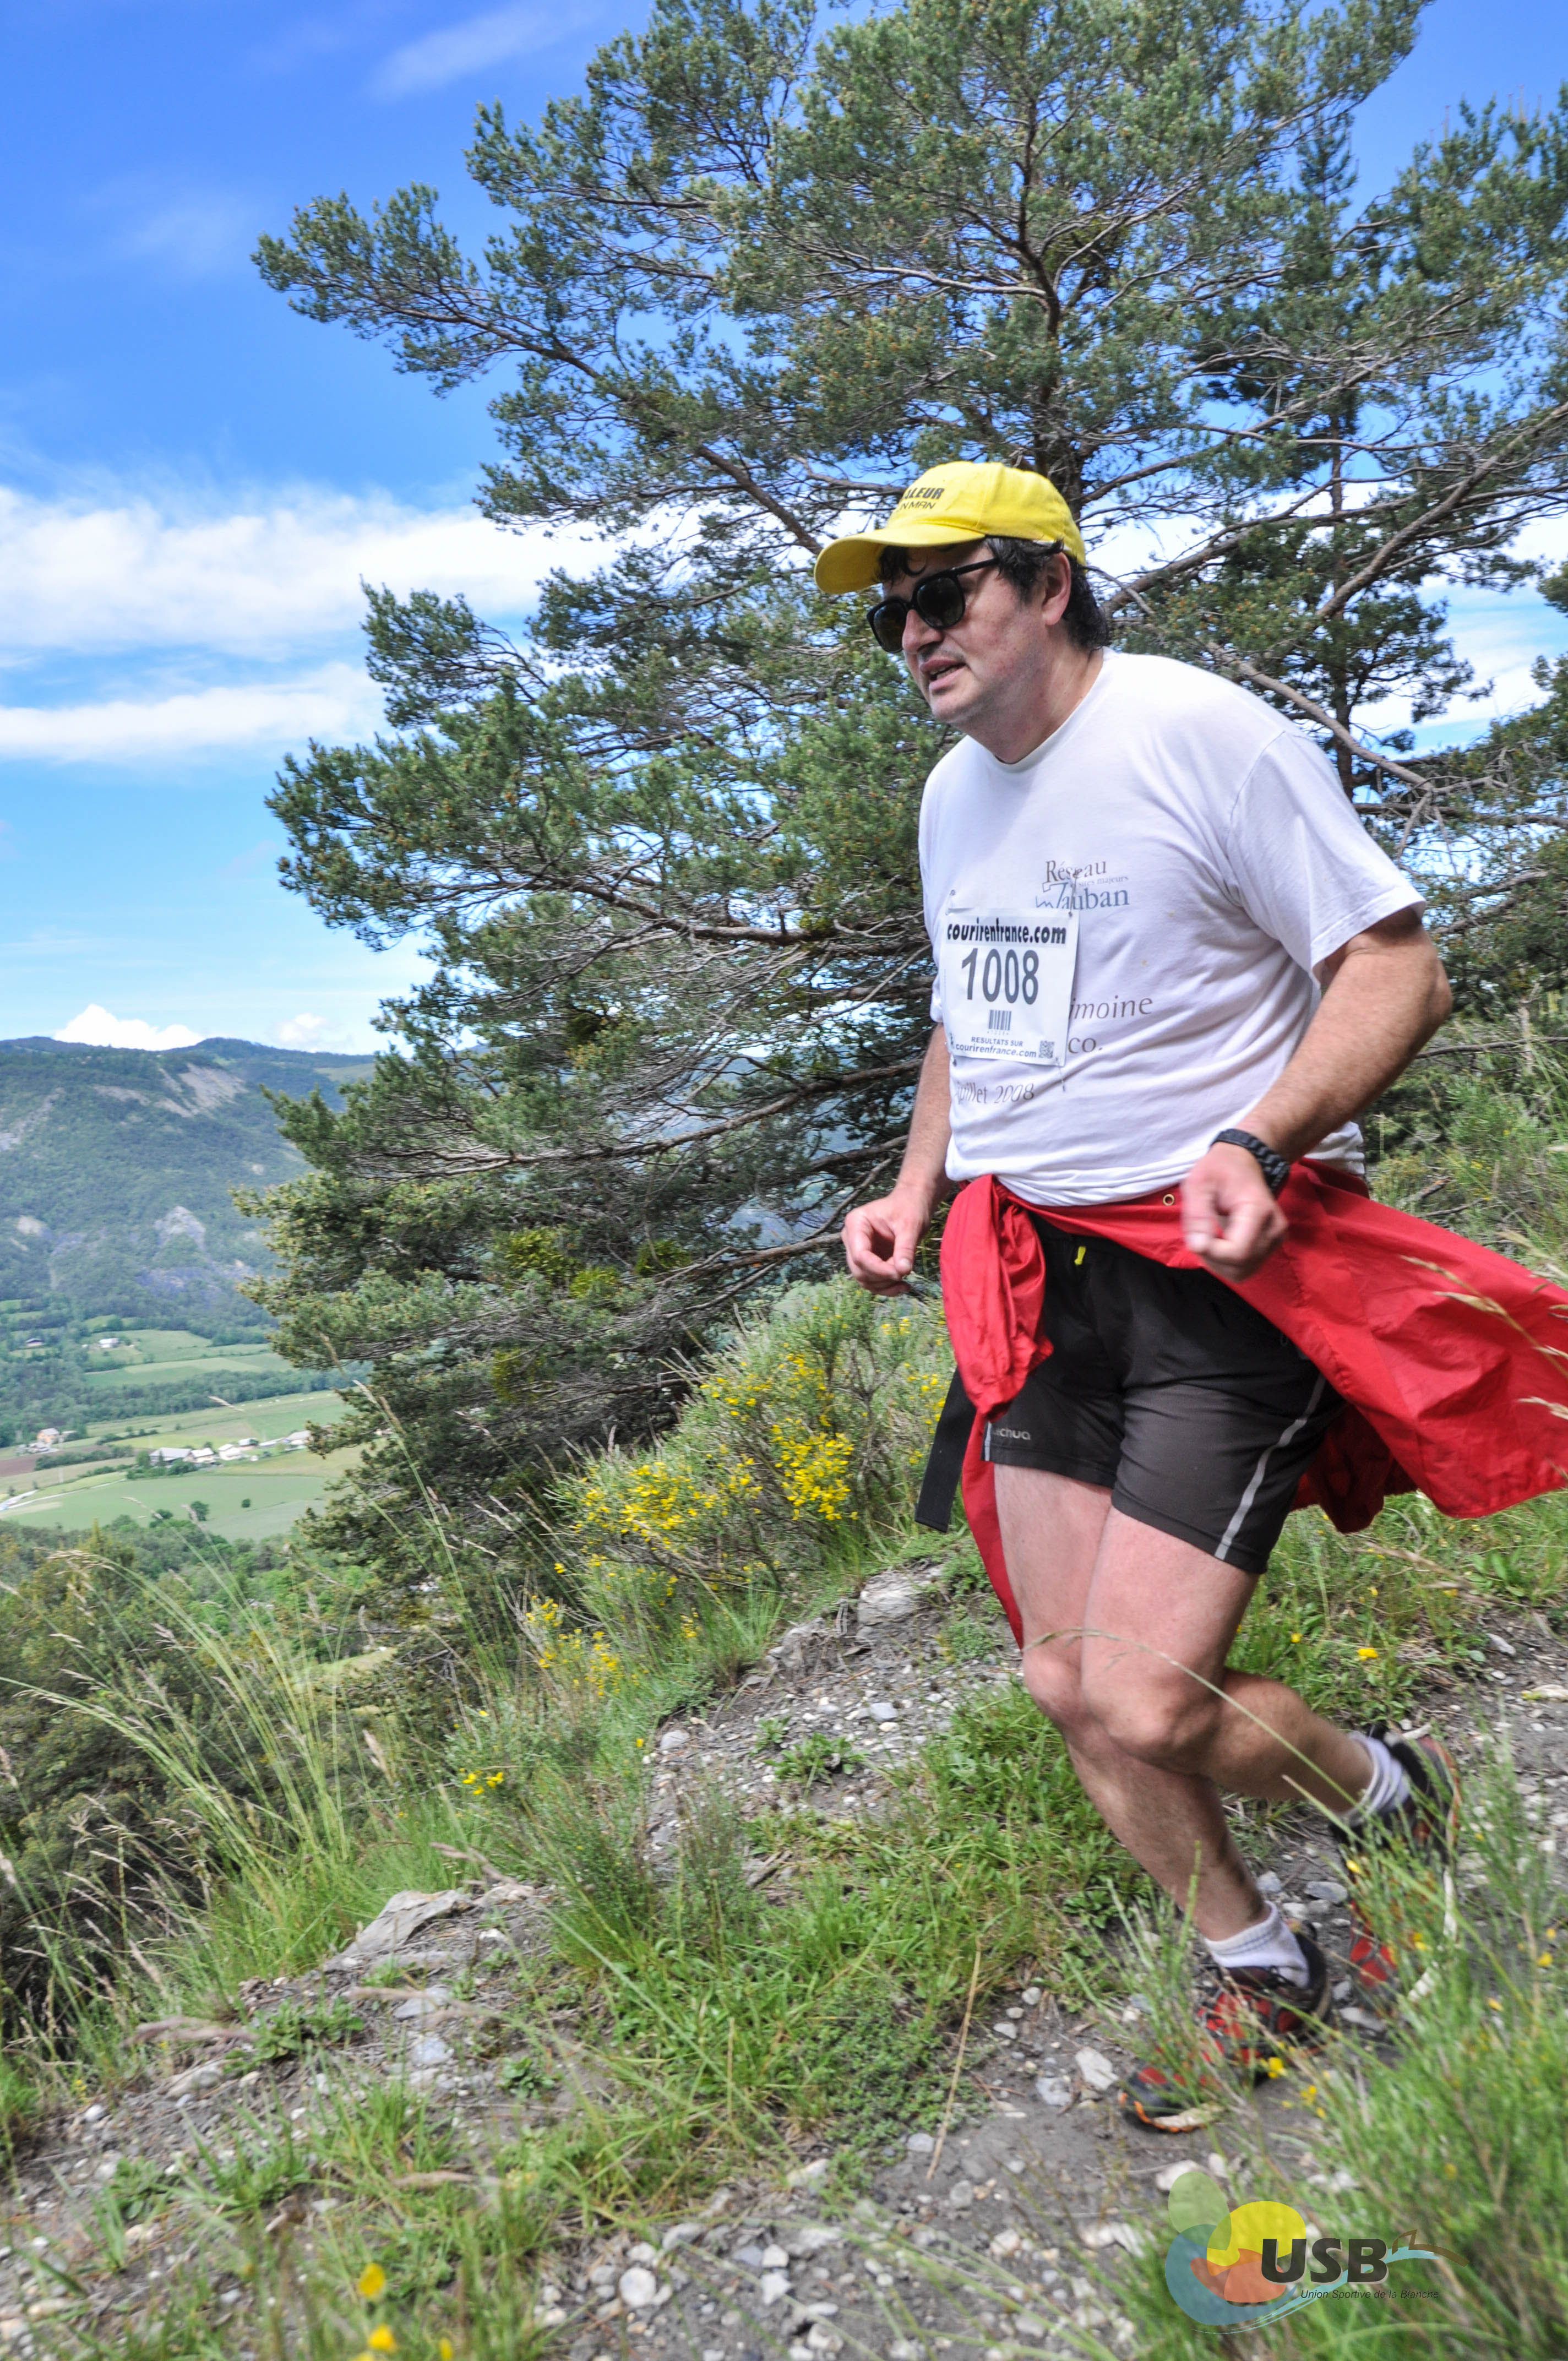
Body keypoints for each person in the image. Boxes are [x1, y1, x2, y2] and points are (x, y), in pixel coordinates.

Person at [818, 458, 1470, 2130]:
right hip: (1037, 1275)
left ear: (1048, 585)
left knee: (1145, 1692)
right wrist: (915, 1189)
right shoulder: (954, 794)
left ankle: (1385, 1789)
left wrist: (1260, 1134)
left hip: (1210, 1276)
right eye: (892, 612)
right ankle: (1261, 1961)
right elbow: (971, 1011)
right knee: (1066, 1682)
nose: (914, 632)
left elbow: (1396, 964)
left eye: (942, 591)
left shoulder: (1199, 735)